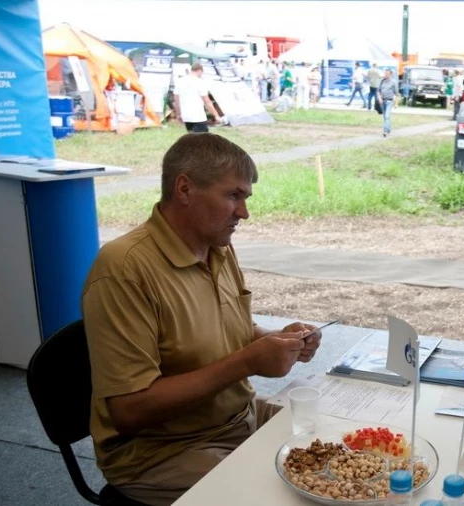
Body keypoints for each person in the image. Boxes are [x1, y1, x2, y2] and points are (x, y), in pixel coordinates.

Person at [81, 133, 323, 506]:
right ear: (184, 189)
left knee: (337, 447)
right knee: (288, 497)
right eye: (233, 196)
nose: (243, 212)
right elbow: (129, 410)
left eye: (244, 199)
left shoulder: (217, 248)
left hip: (233, 418)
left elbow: (230, 332)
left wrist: (273, 339)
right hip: (162, 451)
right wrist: (248, 361)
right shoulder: (124, 269)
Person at [172, 63, 223, 132]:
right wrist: (216, 115)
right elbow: (207, 101)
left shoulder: (180, 81)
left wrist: (178, 114)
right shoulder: (200, 82)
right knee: (201, 139)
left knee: (192, 138)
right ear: (200, 70)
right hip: (198, 116)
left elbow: (176, 100)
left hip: (186, 116)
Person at [378, 69, 398, 137]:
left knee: (387, 116)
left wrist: (396, 103)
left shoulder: (393, 82)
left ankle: (385, 131)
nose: (385, 74)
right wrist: (380, 98)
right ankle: (388, 129)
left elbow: (396, 94)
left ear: (390, 74)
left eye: (387, 73)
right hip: (383, 101)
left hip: (390, 101)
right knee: (385, 117)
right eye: (385, 73)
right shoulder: (382, 81)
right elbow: (378, 91)